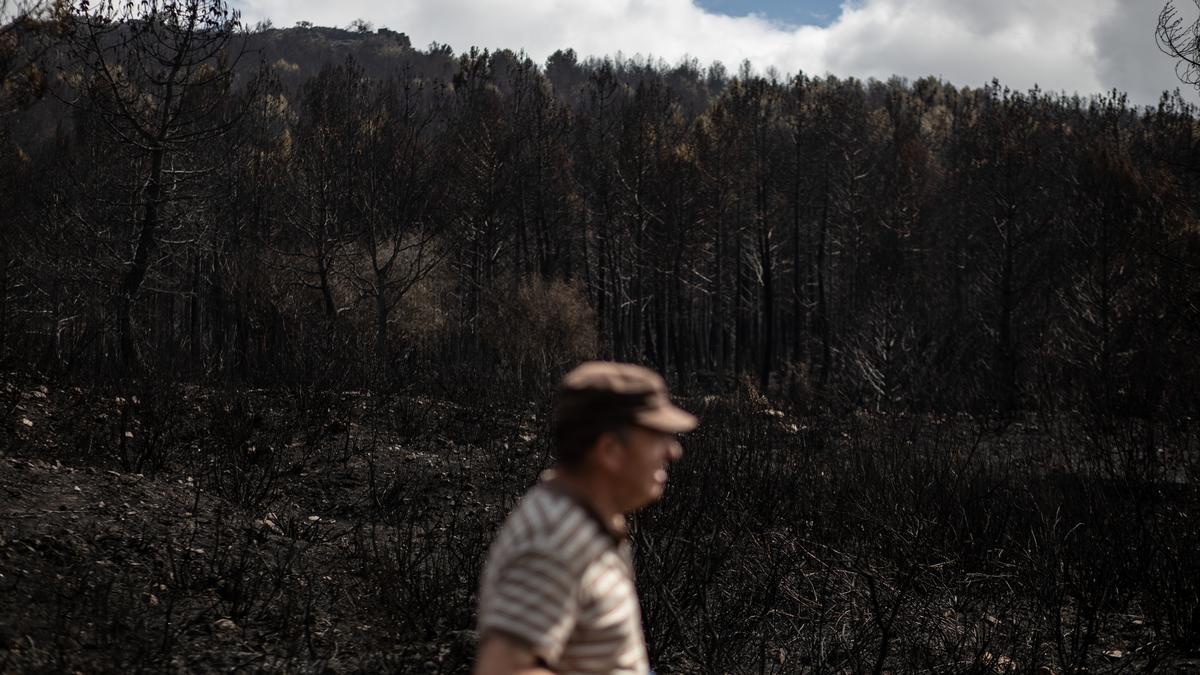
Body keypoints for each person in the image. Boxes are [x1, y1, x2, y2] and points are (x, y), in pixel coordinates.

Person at [473, 361, 698, 675]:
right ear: (609, 451)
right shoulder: (553, 538)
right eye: (656, 436)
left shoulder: (581, 524)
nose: (673, 452)